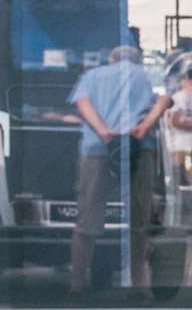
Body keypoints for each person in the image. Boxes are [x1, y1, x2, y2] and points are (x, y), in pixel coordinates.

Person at [68, 42, 166, 294]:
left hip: (97, 149)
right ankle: (139, 284)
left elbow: (82, 102)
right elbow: (164, 100)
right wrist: (142, 129)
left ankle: (77, 283)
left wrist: (103, 132)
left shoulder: (93, 75)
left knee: (87, 216)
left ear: (111, 59)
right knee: (139, 218)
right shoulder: (146, 75)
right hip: (139, 147)